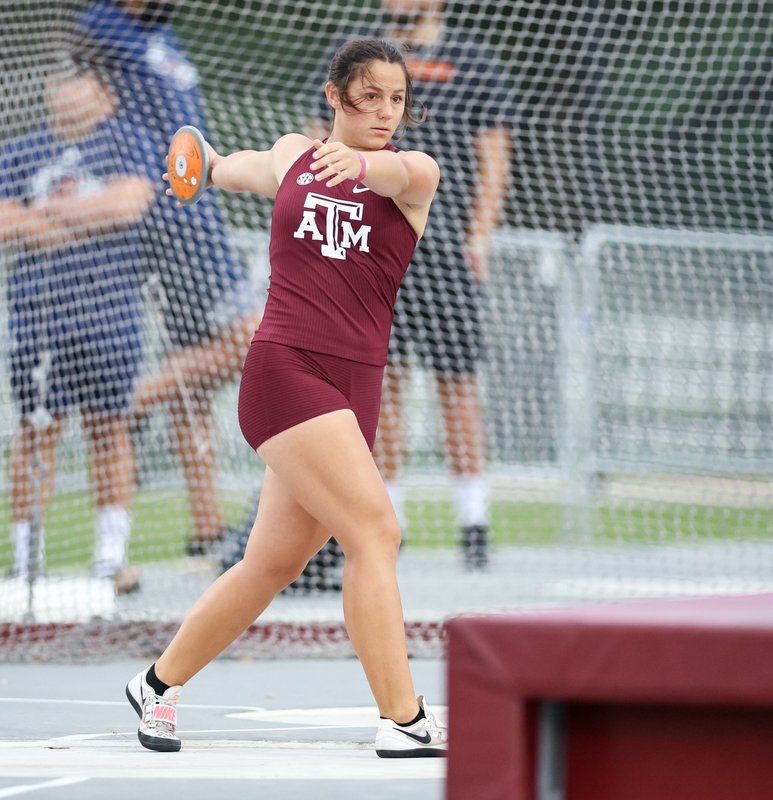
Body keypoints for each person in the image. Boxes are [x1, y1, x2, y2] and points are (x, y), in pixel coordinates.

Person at [124, 36, 446, 758]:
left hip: (353, 389)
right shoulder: (293, 154)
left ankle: (156, 685)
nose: (386, 111)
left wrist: (364, 162)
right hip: (286, 371)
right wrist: (201, 164)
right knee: (375, 534)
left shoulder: (412, 173)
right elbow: (234, 167)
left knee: (270, 566)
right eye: (369, 98)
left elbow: (398, 168)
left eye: (396, 99)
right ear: (335, 97)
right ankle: (402, 718)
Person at [310, 0, 515, 568]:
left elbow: (494, 156)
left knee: (458, 382)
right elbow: (317, 143)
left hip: (443, 249)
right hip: (372, 248)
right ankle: (385, 515)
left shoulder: (470, 58)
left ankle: (474, 520)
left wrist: (478, 237)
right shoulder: (358, 57)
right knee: (380, 383)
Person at [74, 0, 262, 556]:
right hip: (170, 217)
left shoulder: (166, 35)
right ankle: (128, 403)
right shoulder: (105, 22)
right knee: (252, 344)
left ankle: (206, 528)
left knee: (192, 378)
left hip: (198, 210)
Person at [0, 64, 156, 593]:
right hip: (37, 310)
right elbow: (4, 223)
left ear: (103, 91)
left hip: (109, 309)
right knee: (37, 430)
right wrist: (82, 218)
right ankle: (25, 561)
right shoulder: (21, 150)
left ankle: (110, 557)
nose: (61, 88)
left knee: (108, 427)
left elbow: (127, 205)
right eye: (55, 78)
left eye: (75, 78)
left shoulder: (128, 140)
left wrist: (49, 214)